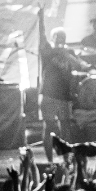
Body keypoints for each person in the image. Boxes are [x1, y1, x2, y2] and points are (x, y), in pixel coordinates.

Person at [38, 9, 89, 165]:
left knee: (65, 128)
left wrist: (69, 56)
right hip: (48, 95)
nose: (60, 39)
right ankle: (50, 161)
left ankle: (67, 160)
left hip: (64, 97)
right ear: (53, 38)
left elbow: (80, 65)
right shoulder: (48, 51)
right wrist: (41, 19)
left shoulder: (69, 53)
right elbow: (41, 36)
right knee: (49, 127)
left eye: (62, 37)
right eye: (58, 37)